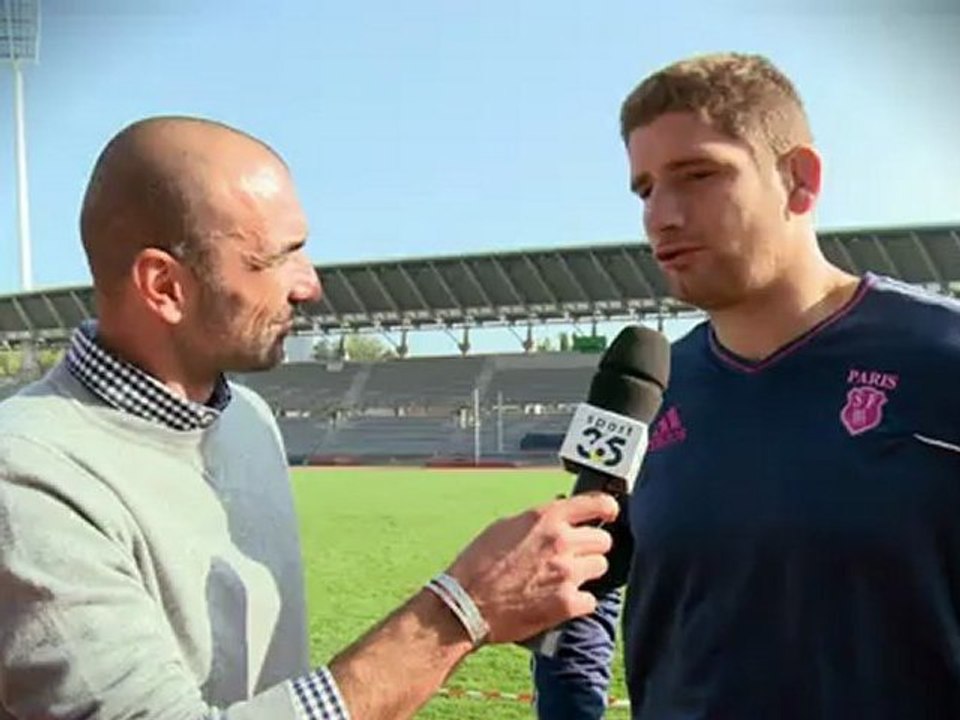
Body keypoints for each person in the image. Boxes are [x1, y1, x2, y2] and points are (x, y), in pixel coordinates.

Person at [0, 116, 621, 720]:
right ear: (164, 286)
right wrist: (463, 607)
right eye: (278, 258)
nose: (311, 285)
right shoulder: (25, 475)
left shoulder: (249, 420)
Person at [533, 51, 960, 719]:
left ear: (799, 179)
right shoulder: (649, 391)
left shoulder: (943, 356)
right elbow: (584, 582)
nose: (661, 216)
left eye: (698, 175)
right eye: (645, 189)